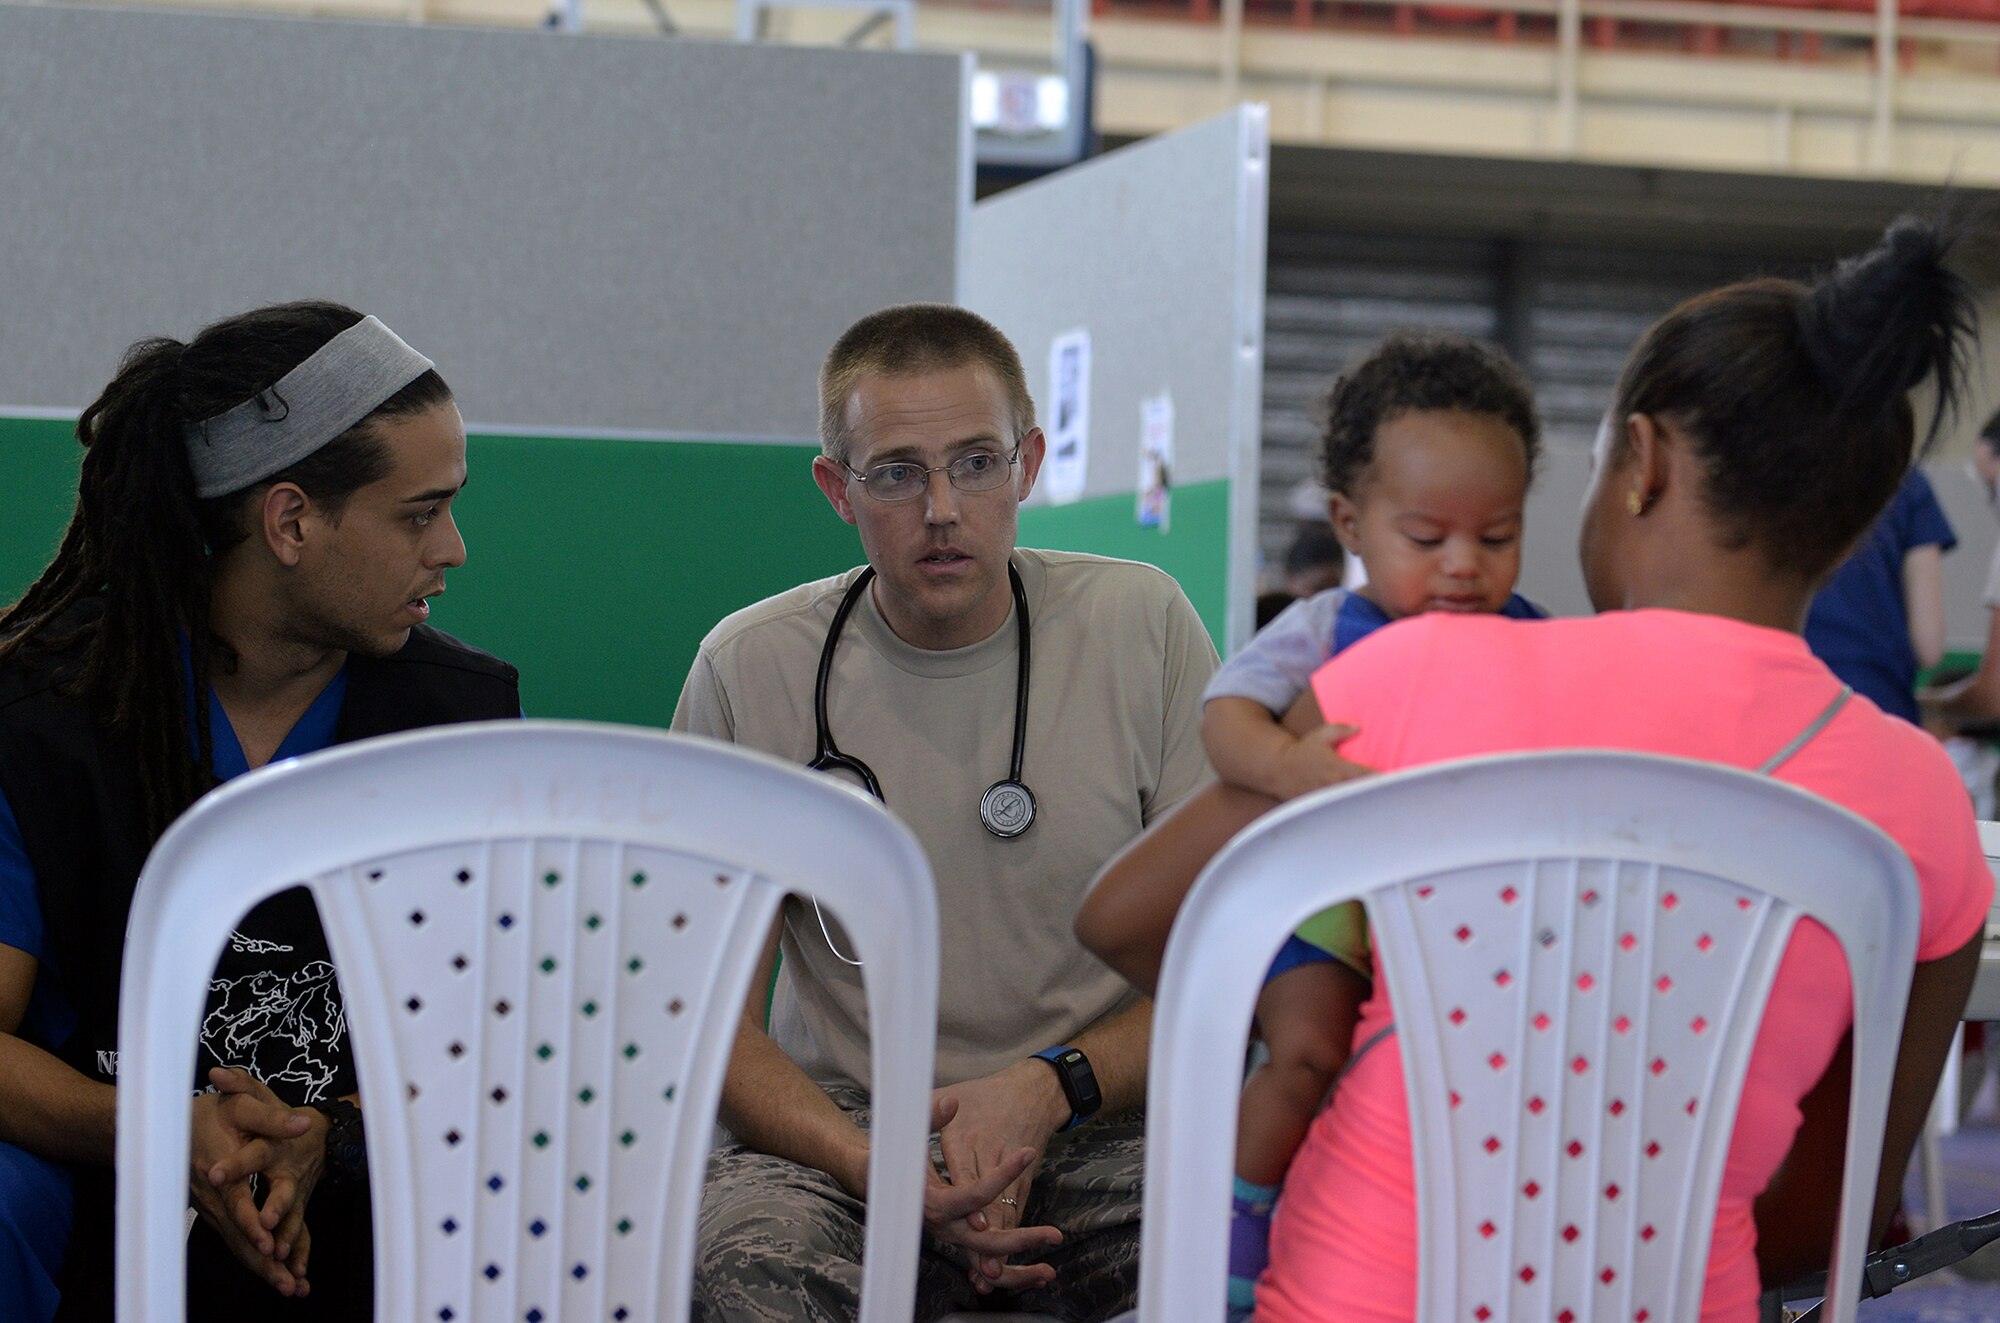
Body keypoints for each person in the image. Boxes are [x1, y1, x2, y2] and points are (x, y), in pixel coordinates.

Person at [1077, 214, 1990, 1323]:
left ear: (1640, 465)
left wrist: (1316, 1046)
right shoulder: (1919, 799)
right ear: (1849, 538)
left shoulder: (1404, 675)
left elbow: (1124, 916)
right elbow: (1826, 1217)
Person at [672, 302, 1217, 1322]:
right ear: (837, 488)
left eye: (975, 462)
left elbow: (1221, 970)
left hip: (1090, 1121)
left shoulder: (1140, 628)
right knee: (748, 1266)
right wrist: (874, 1163)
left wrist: (1049, 1086)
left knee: (1231, 1239)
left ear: (1030, 463)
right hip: (838, 1139)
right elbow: (707, 1025)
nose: (940, 508)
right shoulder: (749, 670)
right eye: (895, 473)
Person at [0, 302, 521, 1321]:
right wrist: (154, 1127)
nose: (452, 549)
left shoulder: (458, 719)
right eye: (419, 513)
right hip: (95, 1166)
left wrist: (336, 1133)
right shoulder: (38, 717)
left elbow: (484, 1030)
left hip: (368, 1175)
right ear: (288, 522)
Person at [1198, 332, 1545, 1314]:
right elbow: (1224, 721)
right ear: (1351, 524)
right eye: (1426, 539)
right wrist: (1288, 767)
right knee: (1305, 1053)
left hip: (1456, 922)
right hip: (1329, 908)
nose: (1462, 567)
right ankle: (1230, 1223)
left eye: (1497, 536)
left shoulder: (1530, 638)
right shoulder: (1317, 631)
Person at [1803, 467, 1954, 722]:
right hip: (1879, 702)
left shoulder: (1758, 472)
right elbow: (1929, 647)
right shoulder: (1905, 482)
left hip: (1776, 702)